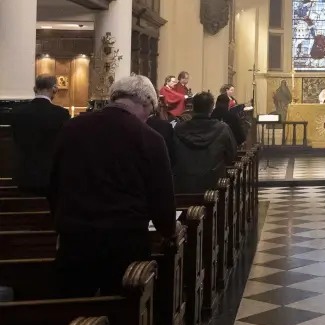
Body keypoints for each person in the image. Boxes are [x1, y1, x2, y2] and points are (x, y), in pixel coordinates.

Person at [49, 75, 176, 297]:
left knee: (73, 311)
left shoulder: (72, 128)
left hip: (75, 238)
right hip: (125, 242)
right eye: (151, 110)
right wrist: (168, 231)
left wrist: (60, 225)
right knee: (123, 313)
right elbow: (161, 194)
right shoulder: (150, 138)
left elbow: (54, 184)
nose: (149, 116)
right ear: (146, 101)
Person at [10, 75, 70, 196]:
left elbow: (15, 140)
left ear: (35, 88)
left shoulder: (17, 112)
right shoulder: (61, 114)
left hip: (23, 174)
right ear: (54, 89)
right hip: (51, 176)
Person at [173, 91, 237, 193]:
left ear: (193, 107)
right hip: (214, 183)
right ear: (212, 107)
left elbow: (172, 155)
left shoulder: (179, 129)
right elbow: (231, 154)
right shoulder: (222, 128)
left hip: (185, 183)